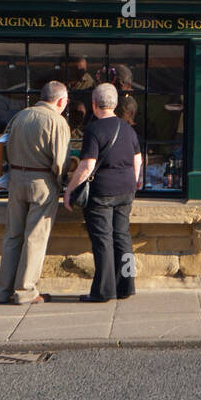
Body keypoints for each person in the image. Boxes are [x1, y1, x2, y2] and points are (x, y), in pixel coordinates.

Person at [0, 81, 71, 305]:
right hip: (42, 181)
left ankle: (2, 290)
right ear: (60, 100)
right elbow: (59, 162)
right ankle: (25, 291)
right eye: (66, 101)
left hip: (16, 179)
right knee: (35, 237)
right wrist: (61, 183)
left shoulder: (20, 116)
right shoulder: (57, 121)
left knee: (13, 235)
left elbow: (4, 146)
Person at [64, 82, 142, 302]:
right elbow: (138, 160)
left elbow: (87, 165)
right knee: (122, 237)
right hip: (126, 190)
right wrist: (133, 183)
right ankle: (126, 286)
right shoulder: (128, 129)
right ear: (116, 104)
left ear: (94, 104)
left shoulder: (94, 130)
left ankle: (103, 291)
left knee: (103, 240)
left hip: (102, 192)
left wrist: (70, 190)